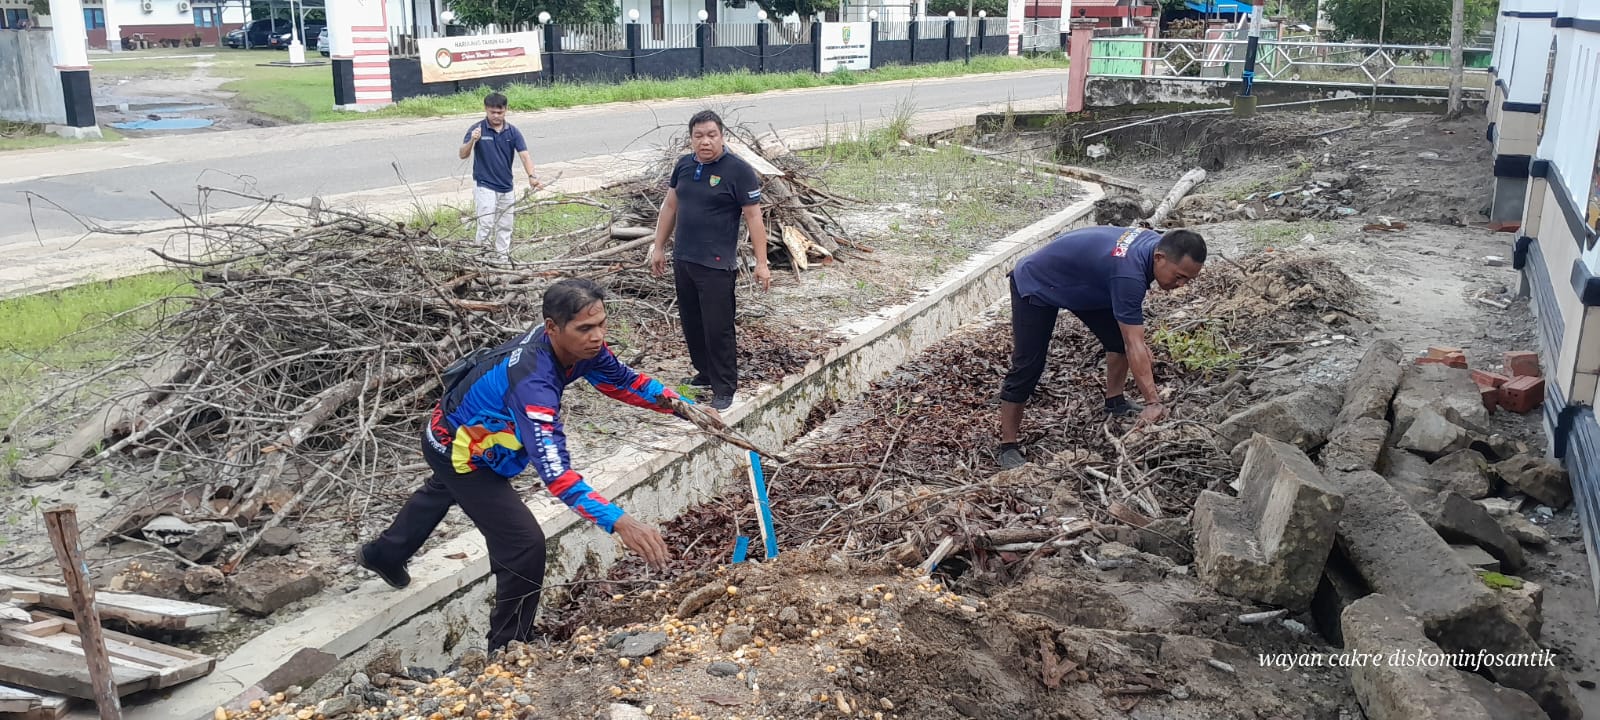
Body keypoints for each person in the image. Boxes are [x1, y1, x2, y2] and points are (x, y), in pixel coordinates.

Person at [358, 278, 715, 652]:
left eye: (601, 324)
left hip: (462, 429)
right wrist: (620, 522)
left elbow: (624, 382)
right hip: (458, 449)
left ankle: (383, 555)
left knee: (441, 491)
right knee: (523, 543)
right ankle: (508, 647)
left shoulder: (582, 350)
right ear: (552, 328)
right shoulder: (534, 386)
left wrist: (686, 408)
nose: (597, 337)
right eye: (585, 329)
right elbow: (557, 475)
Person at [995, 226, 1208, 470]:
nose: (1182, 285)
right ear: (1159, 258)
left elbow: (1130, 340)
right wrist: (1153, 402)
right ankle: (1007, 445)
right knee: (1028, 365)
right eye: (1179, 276)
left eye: (1188, 280)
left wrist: (1138, 349)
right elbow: (1134, 342)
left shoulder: (1154, 245)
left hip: (1087, 281)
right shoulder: (1129, 275)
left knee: (1118, 341)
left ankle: (1115, 401)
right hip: (1037, 280)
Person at [647, 110, 770, 411]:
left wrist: (762, 262)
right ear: (691, 139)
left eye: (711, 135)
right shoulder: (684, 166)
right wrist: (658, 246)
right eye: (699, 136)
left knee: (718, 327)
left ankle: (724, 386)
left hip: (716, 265)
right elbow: (670, 206)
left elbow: (754, 217)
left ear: (722, 136)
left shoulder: (738, 171)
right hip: (684, 258)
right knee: (692, 322)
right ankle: (704, 372)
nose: (705, 141)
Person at [460, 92, 541, 262]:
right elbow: (462, 154)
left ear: (506, 110)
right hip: (484, 185)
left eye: (500, 112)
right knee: (486, 223)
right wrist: (472, 140)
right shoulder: (477, 129)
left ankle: (502, 260)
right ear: (486, 109)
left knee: (505, 225)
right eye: (492, 112)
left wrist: (532, 176)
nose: (496, 116)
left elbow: (524, 156)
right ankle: (481, 259)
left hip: (506, 186)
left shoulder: (513, 132)